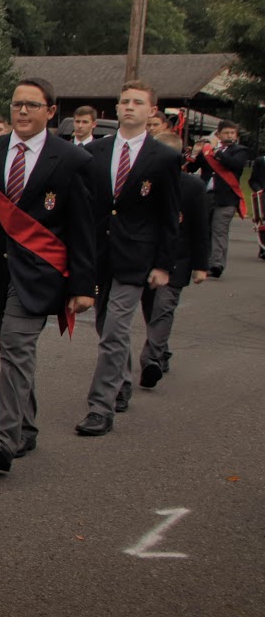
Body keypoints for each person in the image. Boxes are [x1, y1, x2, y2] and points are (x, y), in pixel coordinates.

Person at [0, 78, 96, 473]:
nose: (23, 111)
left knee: (15, 347)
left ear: (50, 111)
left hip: (41, 274)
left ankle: (4, 436)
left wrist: (83, 285)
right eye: (17, 105)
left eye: (32, 105)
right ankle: (26, 426)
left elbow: (83, 229)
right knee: (14, 352)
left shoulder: (72, 160)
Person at [75, 81, 180, 436]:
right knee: (105, 326)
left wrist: (164, 264)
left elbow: (169, 215)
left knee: (115, 330)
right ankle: (121, 381)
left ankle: (99, 407)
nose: (129, 107)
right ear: (115, 110)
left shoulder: (163, 157)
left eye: (138, 102)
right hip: (96, 252)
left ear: (152, 110)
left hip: (136, 256)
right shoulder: (96, 152)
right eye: (124, 102)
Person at [139, 131, 209, 389]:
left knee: (163, 308)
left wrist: (201, 266)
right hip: (147, 258)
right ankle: (161, 350)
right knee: (150, 309)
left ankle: (151, 360)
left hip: (178, 259)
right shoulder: (145, 183)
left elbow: (201, 230)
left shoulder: (192, 187)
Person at [184, 119, 251, 277]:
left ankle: (216, 264)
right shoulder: (207, 151)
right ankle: (203, 262)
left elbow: (235, 164)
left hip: (227, 197)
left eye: (233, 133)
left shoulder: (240, 150)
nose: (230, 136)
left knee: (219, 230)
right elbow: (192, 168)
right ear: (218, 134)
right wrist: (195, 152)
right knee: (203, 229)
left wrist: (217, 152)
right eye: (226, 133)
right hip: (206, 195)